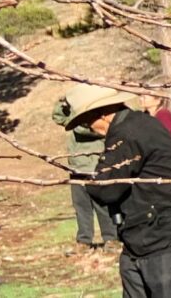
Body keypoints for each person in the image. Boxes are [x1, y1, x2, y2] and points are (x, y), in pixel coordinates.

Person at [65, 84, 171, 297]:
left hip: (168, 240)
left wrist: (93, 181)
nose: (89, 128)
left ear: (103, 113)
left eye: (87, 121)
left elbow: (106, 189)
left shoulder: (128, 133)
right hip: (140, 241)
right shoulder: (134, 125)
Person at [51, 97, 117, 250]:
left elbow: (86, 129)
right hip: (77, 167)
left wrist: (75, 120)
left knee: (102, 205)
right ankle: (84, 241)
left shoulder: (100, 116)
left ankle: (111, 239)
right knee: (81, 206)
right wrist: (64, 103)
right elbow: (58, 117)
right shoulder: (76, 113)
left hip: (95, 165)